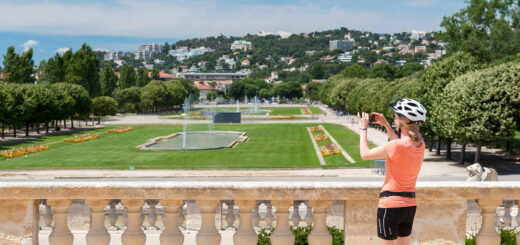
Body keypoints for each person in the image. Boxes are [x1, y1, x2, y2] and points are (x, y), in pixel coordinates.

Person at [356, 98, 427, 245]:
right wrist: (387, 125)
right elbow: (399, 147)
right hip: (409, 206)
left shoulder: (396, 146)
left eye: (395, 116)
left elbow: (365, 154)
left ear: (401, 120)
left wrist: (363, 129)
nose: (394, 119)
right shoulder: (420, 145)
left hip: (391, 205)